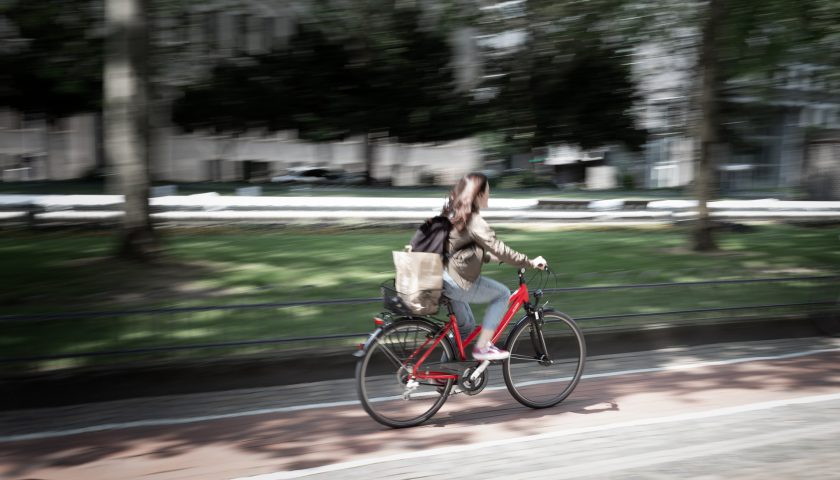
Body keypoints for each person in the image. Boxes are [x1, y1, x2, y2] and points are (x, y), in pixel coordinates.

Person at [442, 172, 547, 361]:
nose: (489, 195)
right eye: (488, 190)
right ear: (479, 194)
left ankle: (446, 378)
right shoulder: (474, 220)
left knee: (465, 328)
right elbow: (500, 248)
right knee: (502, 294)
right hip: (458, 281)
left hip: (444, 277)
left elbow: (463, 251)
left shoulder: (458, 215)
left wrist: (489, 258)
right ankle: (482, 348)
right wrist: (529, 262)